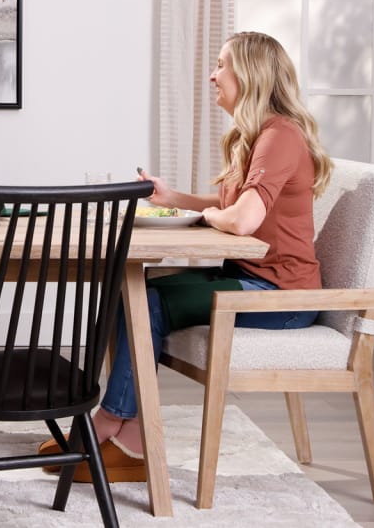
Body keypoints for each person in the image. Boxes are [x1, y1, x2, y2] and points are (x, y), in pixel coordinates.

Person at [41, 31, 335, 482]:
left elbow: (242, 221)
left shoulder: (281, 136)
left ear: (250, 74)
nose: (214, 75)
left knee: (148, 301)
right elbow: (230, 212)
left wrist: (219, 213)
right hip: (251, 279)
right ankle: (131, 430)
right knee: (132, 293)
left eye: (222, 65)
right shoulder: (257, 135)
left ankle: (112, 422)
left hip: (282, 297)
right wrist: (174, 197)